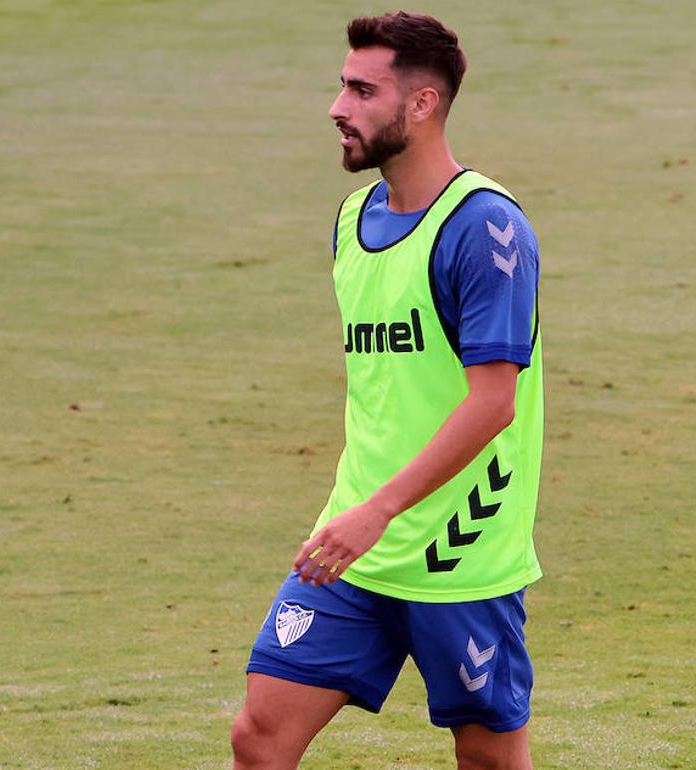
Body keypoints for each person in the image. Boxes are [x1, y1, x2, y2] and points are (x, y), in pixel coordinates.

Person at [232, 11, 544, 770]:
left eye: (361, 89)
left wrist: (380, 511)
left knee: (490, 762)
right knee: (258, 738)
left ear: (421, 105)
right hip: (351, 550)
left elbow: (492, 402)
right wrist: (359, 514)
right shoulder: (352, 219)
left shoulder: (485, 229)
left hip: (457, 553)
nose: (337, 106)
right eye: (341, 84)